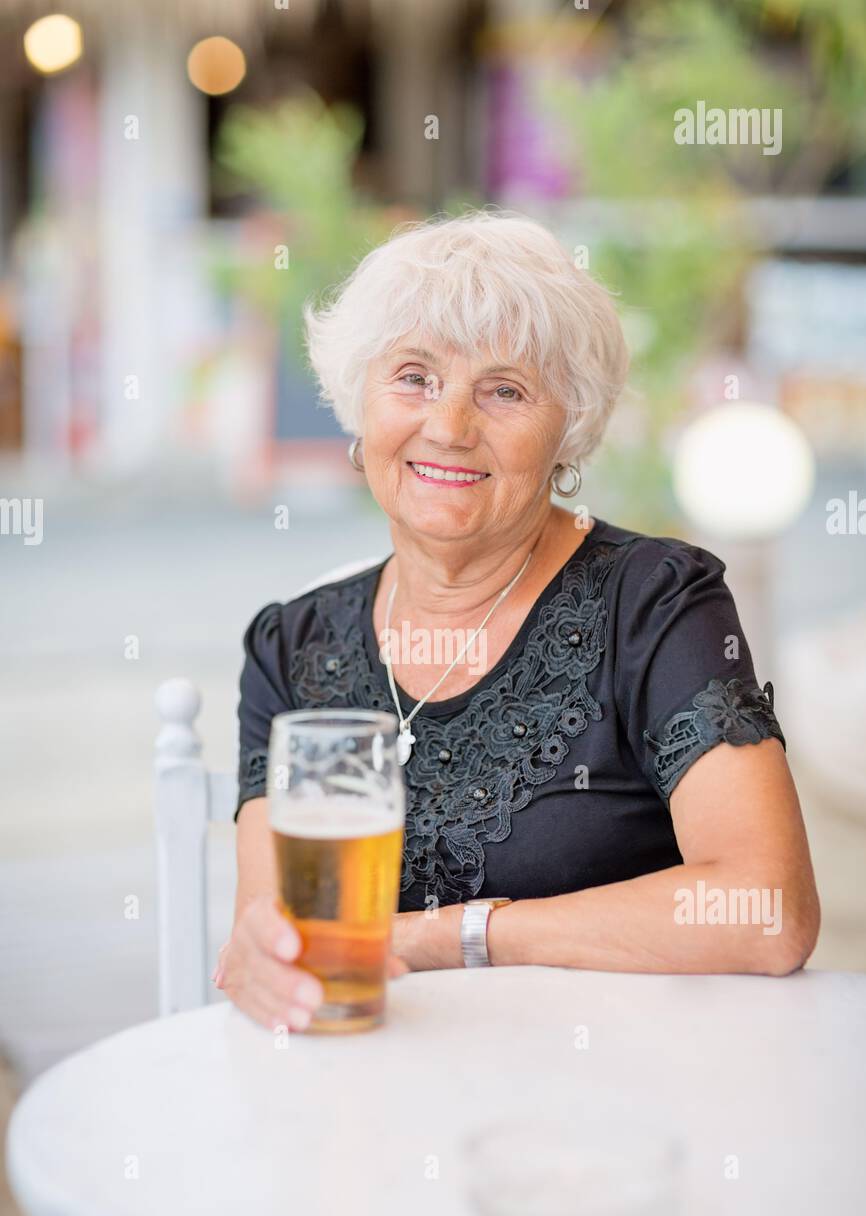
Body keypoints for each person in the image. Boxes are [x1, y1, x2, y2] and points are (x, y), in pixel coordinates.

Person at [214, 211, 820, 1032]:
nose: (451, 427)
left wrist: (457, 935)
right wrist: (261, 963)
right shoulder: (292, 650)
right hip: (369, 1098)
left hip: (625, 1103)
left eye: (504, 390)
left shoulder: (654, 602)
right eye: (414, 377)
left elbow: (767, 909)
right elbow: (281, 940)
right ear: (361, 406)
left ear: (566, 431)